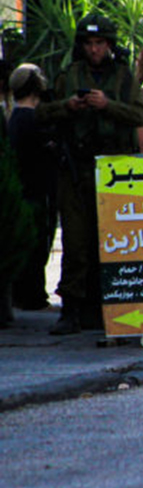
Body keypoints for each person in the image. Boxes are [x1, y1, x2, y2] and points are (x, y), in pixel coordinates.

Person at [38, 14, 143, 334]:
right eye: (89, 43)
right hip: (75, 167)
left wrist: (107, 105)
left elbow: (140, 113)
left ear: (110, 44)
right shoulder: (68, 75)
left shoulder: (124, 78)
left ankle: (105, 308)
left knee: (110, 240)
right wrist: (67, 107)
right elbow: (42, 113)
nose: (95, 49)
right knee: (75, 241)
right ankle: (71, 308)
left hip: (113, 168)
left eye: (100, 43)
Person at [8, 64, 58, 312]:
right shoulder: (31, 120)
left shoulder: (15, 118)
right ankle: (32, 296)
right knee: (38, 245)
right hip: (37, 192)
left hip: (25, 191)